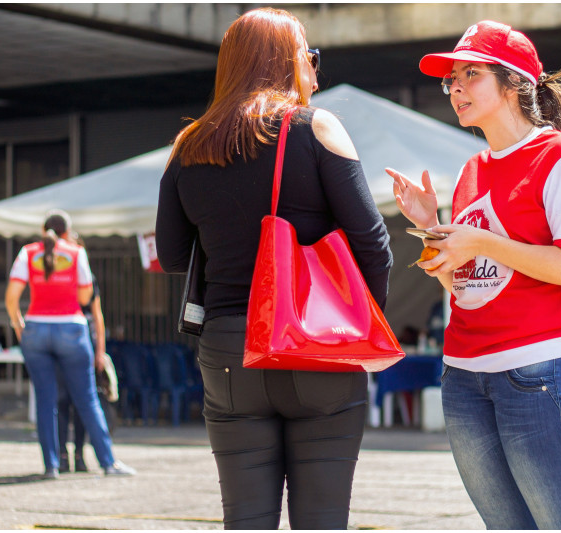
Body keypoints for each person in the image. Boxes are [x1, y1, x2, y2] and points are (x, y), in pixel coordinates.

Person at [155, 7, 392, 530]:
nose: (314, 67)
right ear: (287, 60)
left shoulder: (187, 145)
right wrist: (362, 329)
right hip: (316, 348)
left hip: (228, 349)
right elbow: (373, 243)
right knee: (323, 519)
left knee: (245, 519)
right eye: (308, 54)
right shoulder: (317, 127)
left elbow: (173, 256)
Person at [386, 20, 561, 530]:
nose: (455, 87)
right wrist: (433, 231)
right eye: (451, 78)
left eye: (470, 74)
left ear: (515, 83)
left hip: (539, 371)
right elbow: (464, 288)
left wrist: (480, 241)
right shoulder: (469, 171)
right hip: (463, 374)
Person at [5, 209, 135, 479]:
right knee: (87, 398)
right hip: (71, 330)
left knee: (45, 400)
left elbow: (11, 297)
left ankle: (51, 466)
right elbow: (86, 294)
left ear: (43, 231)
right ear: (67, 232)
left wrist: (20, 328)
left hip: (36, 329)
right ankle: (108, 463)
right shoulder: (76, 253)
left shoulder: (28, 253)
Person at [56, 233, 112, 473]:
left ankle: (79, 454)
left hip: (84, 342)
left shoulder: (89, 279)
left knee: (83, 402)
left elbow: (97, 315)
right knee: (61, 401)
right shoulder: (56, 278)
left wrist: (100, 351)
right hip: (61, 343)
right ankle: (61, 455)